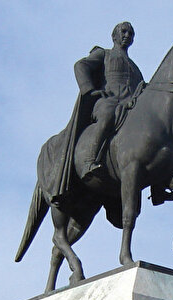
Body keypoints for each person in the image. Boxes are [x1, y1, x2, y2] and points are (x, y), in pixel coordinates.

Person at [73, 21, 144, 180]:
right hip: (107, 101)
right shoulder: (104, 54)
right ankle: (89, 161)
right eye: (123, 32)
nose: (127, 36)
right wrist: (89, 89)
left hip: (129, 107)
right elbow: (80, 65)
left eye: (130, 34)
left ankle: (157, 184)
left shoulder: (135, 68)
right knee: (108, 115)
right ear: (114, 36)